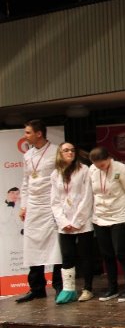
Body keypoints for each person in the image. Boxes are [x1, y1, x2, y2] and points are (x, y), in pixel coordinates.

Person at [16, 119, 63, 303]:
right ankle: (37, 288)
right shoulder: (28, 155)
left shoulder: (56, 151)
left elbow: (62, 178)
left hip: (51, 204)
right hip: (33, 205)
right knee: (32, 246)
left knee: (56, 247)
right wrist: (23, 206)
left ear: (39, 133)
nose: (25, 136)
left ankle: (59, 286)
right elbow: (26, 181)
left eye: (28, 132)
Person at [89, 146, 125, 302]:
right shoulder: (92, 170)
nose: (100, 168)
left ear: (109, 158)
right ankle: (112, 288)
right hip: (100, 216)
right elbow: (92, 191)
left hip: (119, 215)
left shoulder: (121, 169)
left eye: (102, 165)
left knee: (121, 252)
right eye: (97, 166)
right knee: (107, 254)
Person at [50, 142, 94, 304]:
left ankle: (88, 289)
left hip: (83, 221)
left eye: (72, 150)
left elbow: (87, 197)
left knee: (86, 256)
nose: (70, 153)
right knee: (67, 256)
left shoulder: (83, 170)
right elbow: (55, 201)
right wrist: (63, 222)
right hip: (65, 224)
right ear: (60, 153)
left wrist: (77, 221)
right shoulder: (55, 174)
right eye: (66, 150)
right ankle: (68, 290)